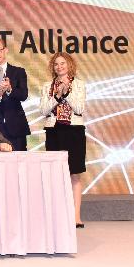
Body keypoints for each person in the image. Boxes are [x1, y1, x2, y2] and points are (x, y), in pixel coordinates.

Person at [39, 52, 87, 228]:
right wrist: (57, 96)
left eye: (62, 63)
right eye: (56, 64)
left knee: (74, 173)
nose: (59, 67)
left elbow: (79, 107)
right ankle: (57, 216)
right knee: (56, 175)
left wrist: (67, 93)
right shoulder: (47, 86)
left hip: (74, 131)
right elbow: (44, 110)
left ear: (69, 65)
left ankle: (76, 217)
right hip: (54, 131)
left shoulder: (79, 85)